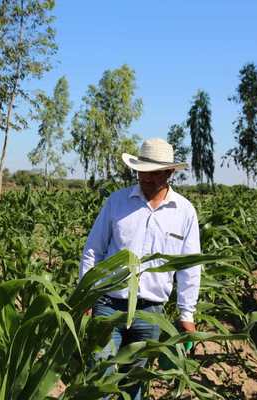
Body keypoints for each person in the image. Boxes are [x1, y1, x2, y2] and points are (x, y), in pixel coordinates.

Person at [80, 138, 201, 399]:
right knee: (98, 377)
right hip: (108, 305)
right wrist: (86, 293)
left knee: (134, 382)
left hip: (150, 312)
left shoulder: (184, 212)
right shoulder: (117, 202)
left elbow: (189, 268)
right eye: (141, 171)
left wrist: (186, 314)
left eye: (154, 173)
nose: (145, 178)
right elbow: (93, 250)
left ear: (170, 173)